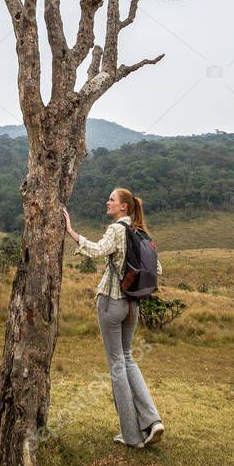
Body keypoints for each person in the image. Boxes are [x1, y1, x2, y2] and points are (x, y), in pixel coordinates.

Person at [62, 187, 165, 448]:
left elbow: (98, 251)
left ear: (123, 208)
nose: (107, 202)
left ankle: (132, 436)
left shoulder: (118, 230)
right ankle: (152, 420)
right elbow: (157, 268)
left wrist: (72, 232)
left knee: (117, 365)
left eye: (112, 199)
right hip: (133, 305)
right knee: (128, 359)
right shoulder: (141, 232)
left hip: (112, 301)